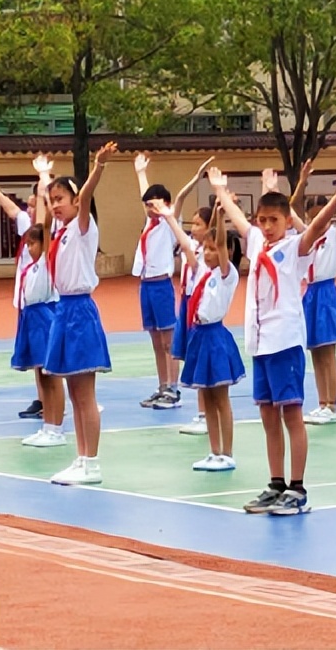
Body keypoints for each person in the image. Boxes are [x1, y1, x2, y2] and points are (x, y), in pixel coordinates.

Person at [211, 166, 336, 515]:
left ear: (287, 220)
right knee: (267, 415)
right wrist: (219, 190)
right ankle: (275, 483)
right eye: (261, 220)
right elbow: (238, 221)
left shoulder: (294, 247)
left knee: (291, 414)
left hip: (285, 341)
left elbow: (320, 224)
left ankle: (298, 487)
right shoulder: (258, 242)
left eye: (273, 220)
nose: (265, 226)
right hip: (259, 343)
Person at [45, 142, 117, 485]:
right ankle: (81, 457)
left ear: (76, 201)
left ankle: (93, 462)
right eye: (51, 200)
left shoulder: (84, 228)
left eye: (60, 199)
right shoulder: (60, 232)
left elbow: (87, 195)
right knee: (74, 393)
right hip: (63, 310)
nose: (55, 206)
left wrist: (98, 167)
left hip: (80, 312)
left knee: (85, 394)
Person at [154, 200, 244, 470]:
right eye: (205, 248)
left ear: (226, 251)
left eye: (213, 248)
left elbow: (221, 244)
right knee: (207, 397)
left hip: (215, 337)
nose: (206, 253)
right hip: (199, 335)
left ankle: (227, 453)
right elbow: (185, 243)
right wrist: (170, 218)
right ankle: (214, 451)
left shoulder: (227, 274)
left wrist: (219, 215)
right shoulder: (202, 268)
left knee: (221, 399)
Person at [0, 178, 45, 419]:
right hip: (27, 302)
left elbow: (40, 215)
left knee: (45, 358)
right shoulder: (27, 227)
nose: (28, 210)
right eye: (28, 205)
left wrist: (43, 182)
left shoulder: (45, 232)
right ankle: (43, 399)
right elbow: (11, 208)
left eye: (34, 205)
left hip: (43, 303)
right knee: (36, 358)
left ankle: (54, 400)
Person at [14, 168, 63, 447]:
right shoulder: (30, 267)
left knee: (51, 374)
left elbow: (44, 224)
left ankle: (56, 427)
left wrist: (44, 182)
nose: (30, 248)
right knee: (41, 376)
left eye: (33, 243)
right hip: (30, 319)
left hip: (43, 317)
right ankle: (47, 424)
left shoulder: (45, 260)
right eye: (28, 244)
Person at [132, 154, 180, 410]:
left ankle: (173, 388)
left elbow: (178, 201)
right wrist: (140, 172)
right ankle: (162, 386)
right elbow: (146, 198)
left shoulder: (169, 224)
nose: (150, 210)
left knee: (168, 340)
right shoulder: (150, 222)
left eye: (155, 205)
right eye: (148, 206)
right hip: (146, 285)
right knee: (154, 340)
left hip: (161, 285)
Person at [301, 194, 336, 426]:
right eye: (314, 218)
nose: (320, 223)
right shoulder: (306, 236)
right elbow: (290, 213)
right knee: (316, 353)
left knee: (328, 354)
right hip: (310, 293)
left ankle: (333, 404)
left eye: (323, 217)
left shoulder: (335, 233)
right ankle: (322, 403)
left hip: (326, 294)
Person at [173, 206, 213, 435]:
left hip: (198, 304)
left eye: (199, 224)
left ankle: (205, 415)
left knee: (200, 361)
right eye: (193, 223)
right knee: (192, 358)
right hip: (186, 302)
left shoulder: (206, 252)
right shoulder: (192, 246)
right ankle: (202, 413)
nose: (194, 228)